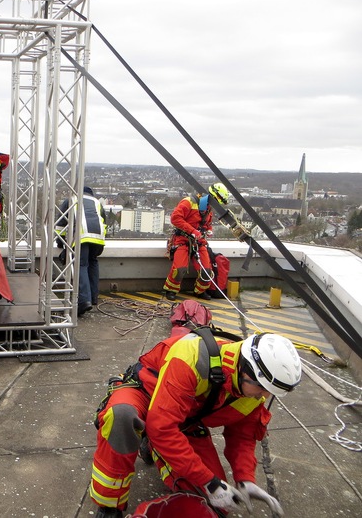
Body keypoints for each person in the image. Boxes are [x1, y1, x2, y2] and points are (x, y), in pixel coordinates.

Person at [89, 331, 302, 518]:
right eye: (262, 388)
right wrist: (207, 479)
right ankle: (109, 506)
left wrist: (245, 479)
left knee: (216, 504)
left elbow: (242, 436)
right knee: (122, 417)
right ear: (246, 370)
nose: (263, 396)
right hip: (145, 391)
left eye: (269, 392)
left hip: (184, 414)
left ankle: (151, 443)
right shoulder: (191, 356)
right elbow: (162, 428)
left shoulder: (253, 391)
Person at [162, 183, 229, 302]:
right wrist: (192, 231)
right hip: (183, 239)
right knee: (180, 269)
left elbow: (207, 224)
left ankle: (199, 291)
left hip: (198, 242)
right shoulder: (189, 202)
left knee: (206, 271)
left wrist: (208, 230)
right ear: (213, 197)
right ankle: (171, 289)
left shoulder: (208, 209)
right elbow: (175, 218)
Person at [55, 186, 107, 316]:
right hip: (98, 238)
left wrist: (60, 242)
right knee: (93, 262)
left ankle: (84, 300)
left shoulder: (72, 199)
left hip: (83, 236)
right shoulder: (97, 202)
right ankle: (93, 297)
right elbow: (104, 221)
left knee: (81, 265)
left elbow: (60, 224)